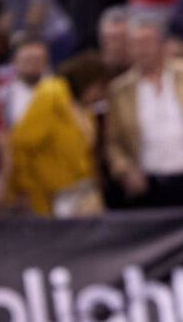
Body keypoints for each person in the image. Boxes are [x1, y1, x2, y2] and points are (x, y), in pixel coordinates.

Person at [105, 14, 183, 208]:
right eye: (135, 44)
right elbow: (112, 140)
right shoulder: (119, 90)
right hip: (148, 184)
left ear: (162, 45)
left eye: (146, 42)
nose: (141, 50)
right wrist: (124, 169)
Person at [7, 52, 112, 216]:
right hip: (50, 196)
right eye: (100, 87)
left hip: (81, 194)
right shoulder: (52, 93)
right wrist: (22, 188)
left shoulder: (85, 109)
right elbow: (22, 143)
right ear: (87, 80)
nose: (102, 95)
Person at [0, 38, 50, 128]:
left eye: (37, 60)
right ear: (15, 62)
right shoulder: (3, 95)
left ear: (45, 63)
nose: (32, 64)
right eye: (27, 60)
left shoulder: (58, 91)